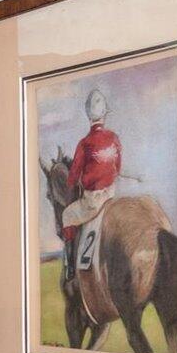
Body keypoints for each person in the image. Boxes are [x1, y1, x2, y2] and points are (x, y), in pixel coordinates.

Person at [58, 85, 124, 272]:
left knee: (66, 215)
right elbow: (117, 168)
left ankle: (70, 266)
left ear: (89, 116)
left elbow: (72, 179)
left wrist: (72, 194)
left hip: (93, 202)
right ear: (105, 114)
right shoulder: (114, 138)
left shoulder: (84, 143)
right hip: (111, 196)